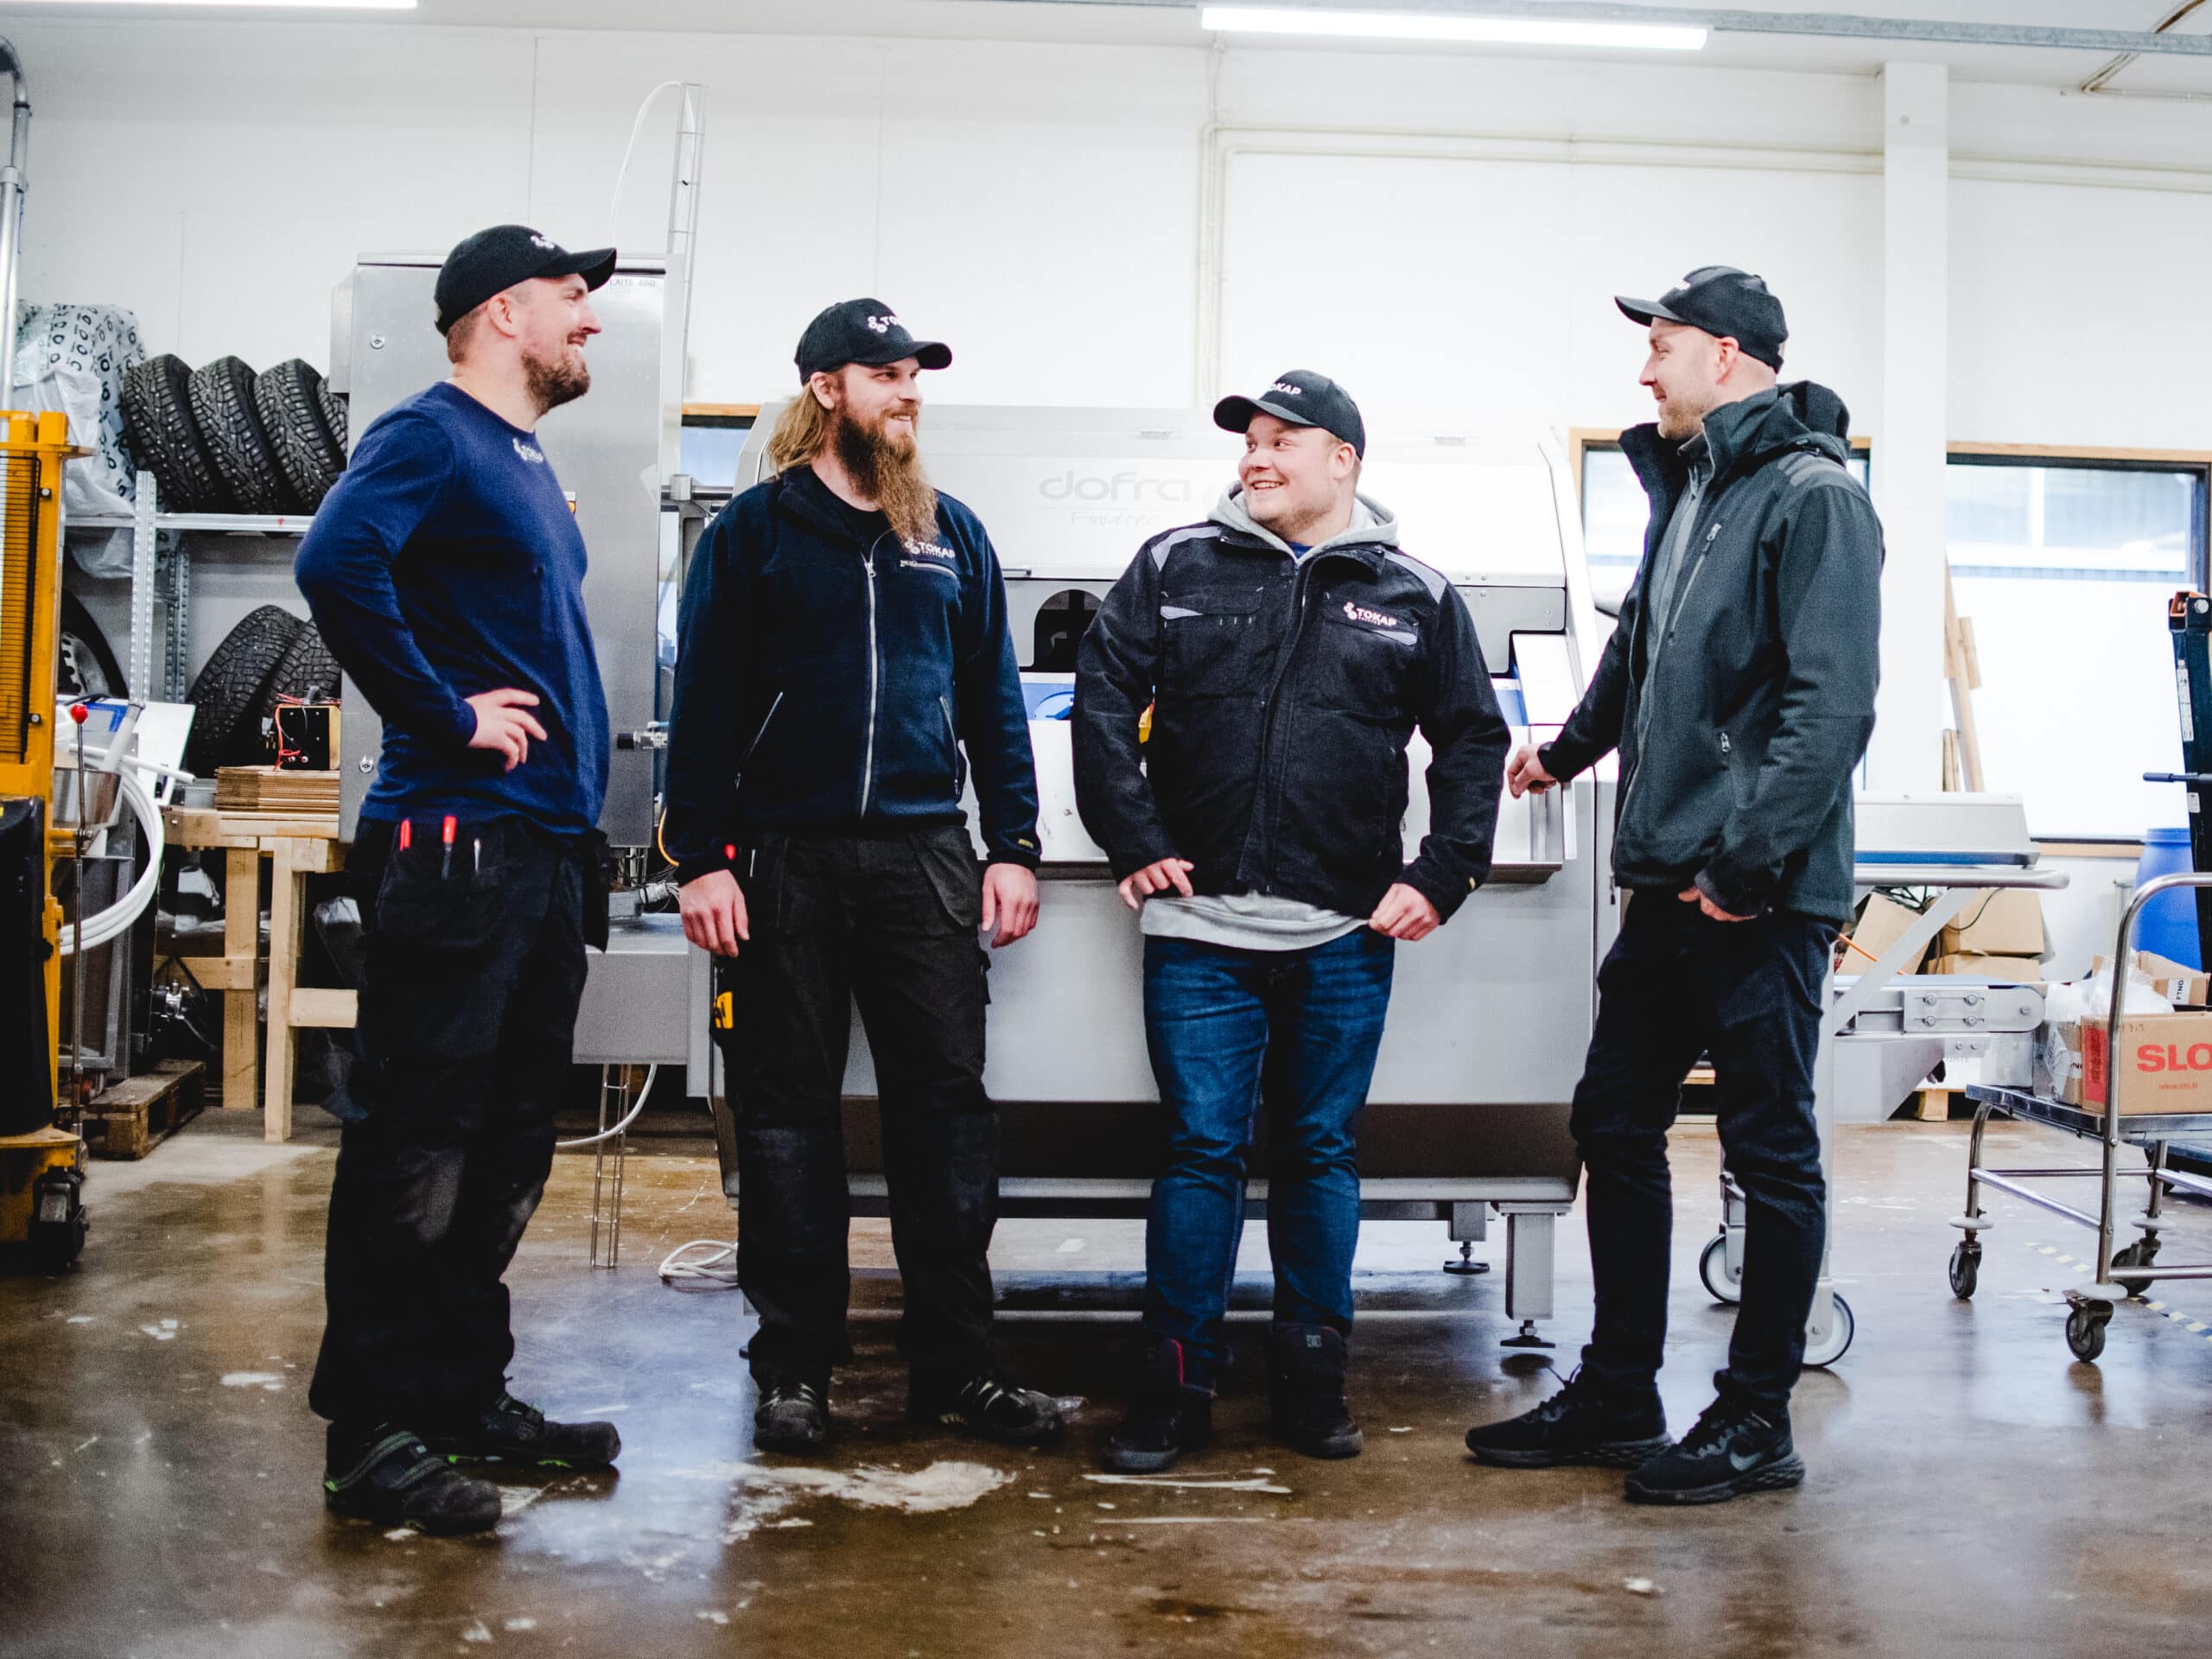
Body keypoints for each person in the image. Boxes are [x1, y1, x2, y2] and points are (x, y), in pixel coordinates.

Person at [1463, 267, 1884, 1504]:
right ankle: (1619, 1390)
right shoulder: (1696, 488)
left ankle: (1756, 1419)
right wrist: (1567, 750)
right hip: (1667, 878)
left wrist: (1748, 868)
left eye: (1661, 347)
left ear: (1729, 354)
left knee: (1768, 1151)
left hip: (1758, 892)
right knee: (1612, 1121)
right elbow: (1641, 649)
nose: (1644, 370)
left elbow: (1831, 707)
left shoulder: (1814, 499)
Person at [1073, 370, 1510, 1472]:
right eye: (1249, 443)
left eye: (1281, 441)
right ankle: (1173, 1389)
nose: (1255, 459)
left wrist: (1443, 873)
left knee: (1318, 1152)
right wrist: (1133, 836)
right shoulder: (1175, 564)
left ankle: (1313, 1382)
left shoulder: (1413, 592)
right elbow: (1103, 695)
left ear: (1342, 460)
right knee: (1200, 1152)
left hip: (1343, 932)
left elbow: (1470, 738)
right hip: (1197, 927)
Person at [664, 299, 1055, 1453]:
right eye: (885, 374)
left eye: (914, 373)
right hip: (783, 860)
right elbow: (704, 707)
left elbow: (993, 702)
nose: (908, 391)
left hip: (924, 858)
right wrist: (700, 860)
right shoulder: (753, 534)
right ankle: (794, 1368)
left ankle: (957, 1367)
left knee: (947, 1119)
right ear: (826, 388)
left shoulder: (950, 533)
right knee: (787, 1122)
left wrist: (1014, 844)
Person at [296, 225, 623, 1535]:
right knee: (419, 1143)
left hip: (534, 847)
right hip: (459, 839)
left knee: (505, 1142)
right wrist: (440, 714)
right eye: (569, 296)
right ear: (500, 313)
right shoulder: (429, 435)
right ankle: (373, 1434)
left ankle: (456, 1395)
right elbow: (333, 563)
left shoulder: (523, 458)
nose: (588, 319)